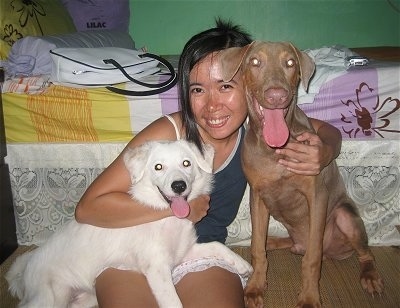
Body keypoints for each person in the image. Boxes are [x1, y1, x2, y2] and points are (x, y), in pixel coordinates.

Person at [75, 19, 342, 308]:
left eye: (225, 86)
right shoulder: (169, 134)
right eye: (198, 90)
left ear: (250, 85)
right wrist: (177, 209)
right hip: (131, 251)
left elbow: (326, 130)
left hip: (201, 251)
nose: (213, 106)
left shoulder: (258, 130)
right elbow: (88, 208)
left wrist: (326, 151)